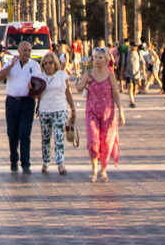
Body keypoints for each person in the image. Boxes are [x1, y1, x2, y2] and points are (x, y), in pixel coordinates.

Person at [0, 40, 44, 174]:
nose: (27, 53)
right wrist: (10, 66)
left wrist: (34, 91)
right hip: (12, 102)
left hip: (27, 102)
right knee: (12, 133)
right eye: (24, 50)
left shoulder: (34, 66)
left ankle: (26, 163)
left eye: (29, 50)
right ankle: (13, 160)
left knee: (25, 133)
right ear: (19, 51)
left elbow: (40, 85)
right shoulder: (11, 63)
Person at [82, 48, 124, 180]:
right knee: (93, 140)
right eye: (95, 58)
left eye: (100, 58)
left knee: (106, 142)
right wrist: (85, 82)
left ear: (106, 60)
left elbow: (115, 93)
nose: (97, 60)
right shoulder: (88, 73)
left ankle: (103, 170)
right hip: (92, 112)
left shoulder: (110, 74)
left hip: (108, 113)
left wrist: (121, 111)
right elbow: (78, 87)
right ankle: (94, 168)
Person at [37, 49, 77, 174]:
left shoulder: (62, 75)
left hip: (60, 109)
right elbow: (38, 94)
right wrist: (37, 107)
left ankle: (60, 163)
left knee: (59, 136)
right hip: (45, 109)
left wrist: (73, 108)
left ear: (55, 63)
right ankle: (46, 162)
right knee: (46, 137)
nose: (48, 66)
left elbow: (68, 92)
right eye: (45, 63)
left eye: (50, 63)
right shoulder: (40, 77)